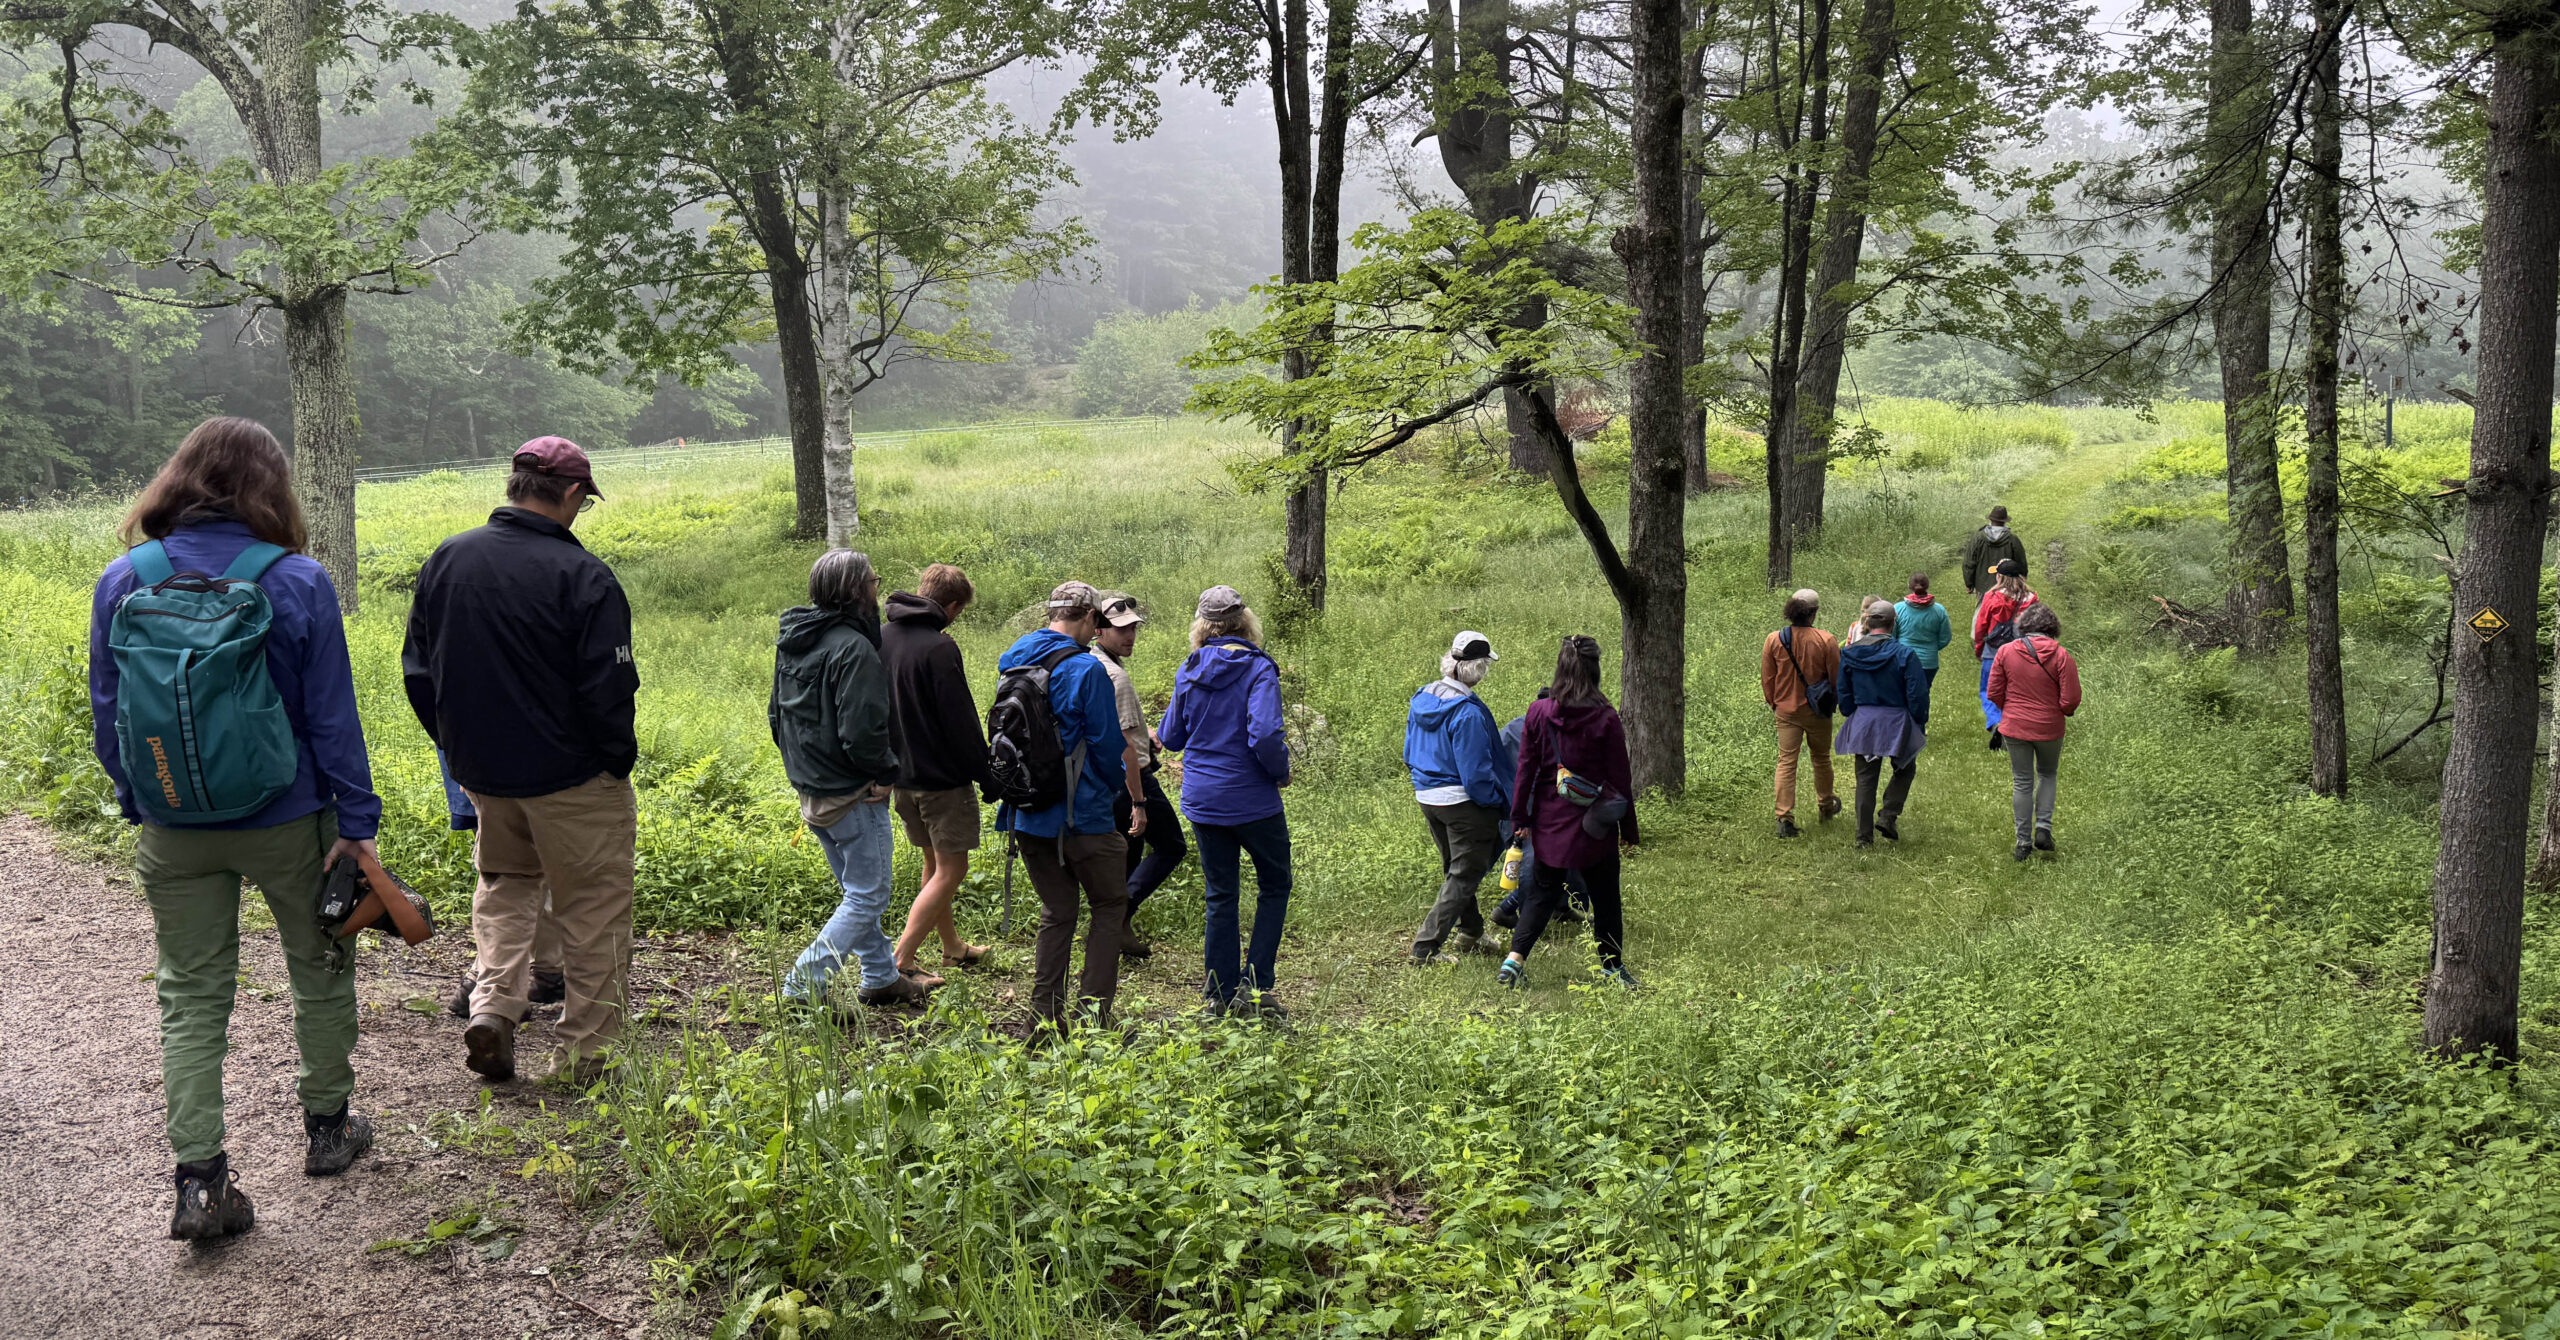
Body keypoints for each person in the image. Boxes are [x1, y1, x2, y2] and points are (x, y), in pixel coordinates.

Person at [89, 417, 382, 1241]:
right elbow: (332, 717)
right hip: (291, 822)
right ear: (270, 489)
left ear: (177, 481)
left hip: (173, 824)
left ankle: (200, 1183)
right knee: (319, 970)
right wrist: (356, 823)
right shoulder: (296, 580)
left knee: (189, 993)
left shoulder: (125, 579)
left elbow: (109, 711)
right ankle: (328, 1130)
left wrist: (137, 797)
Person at [403, 436, 640, 1088]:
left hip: (484, 775)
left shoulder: (448, 560)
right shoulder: (584, 577)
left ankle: (494, 1009)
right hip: (574, 779)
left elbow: (419, 673)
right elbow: (609, 689)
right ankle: (586, 1056)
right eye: (582, 502)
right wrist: (615, 759)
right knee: (592, 909)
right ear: (569, 494)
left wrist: (459, 746)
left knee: (506, 889)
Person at [771, 551, 920, 1012]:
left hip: (812, 789)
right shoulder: (853, 648)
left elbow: (776, 716)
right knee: (868, 894)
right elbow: (863, 730)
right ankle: (802, 984)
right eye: (874, 581)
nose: (878, 588)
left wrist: (804, 772)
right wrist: (884, 773)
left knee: (859, 894)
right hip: (853, 794)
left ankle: (881, 977)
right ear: (859, 591)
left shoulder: (796, 640)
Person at [996, 581, 1139, 1032]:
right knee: (1110, 905)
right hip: (1083, 815)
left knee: (1057, 911)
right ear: (1092, 621)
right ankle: (1094, 1018)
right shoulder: (1087, 669)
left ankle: (1044, 1020)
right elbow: (1107, 743)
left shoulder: (1013, 656)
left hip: (1025, 811)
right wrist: (1119, 792)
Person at [1156, 585, 1293, 1018]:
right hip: (1253, 800)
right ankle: (1255, 988)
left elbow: (1172, 735)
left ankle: (1218, 993)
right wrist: (1279, 771)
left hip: (1203, 798)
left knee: (1221, 894)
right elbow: (1266, 734)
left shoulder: (1190, 668)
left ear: (1202, 626)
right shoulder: (1258, 669)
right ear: (1245, 621)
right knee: (1275, 883)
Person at [1498, 636, 1638, 990]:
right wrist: (1629, 830)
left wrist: (1520, 820)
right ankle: (1612, 968)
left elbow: (1525, 771)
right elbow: (1621, 778)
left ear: (1560, 669)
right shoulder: (1606, 717)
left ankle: (1513, 962)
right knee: (1605, 897)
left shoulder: (1538, 712)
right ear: (1595, 670)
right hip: (1594, 826)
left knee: (1542, 892)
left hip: (1550, 823)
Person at [880, 564, 994, 981]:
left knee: (934, 864)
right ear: (951, 605)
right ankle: (901, 959)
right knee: (952, 870)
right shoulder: (939, 647)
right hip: (942, 781)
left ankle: (953, 948)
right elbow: (961, 720)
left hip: (900, 778)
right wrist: (986, 773)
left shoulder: (881, 637)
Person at [1403, 632, 1513, 964]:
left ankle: (1471, 933)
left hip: (1428, 796)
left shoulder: (1422, 697)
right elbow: (1476, 775)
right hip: (1462, 802)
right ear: (1477, 670)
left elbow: (1409, 751)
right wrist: (1496, 800)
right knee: (1464, 874)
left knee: (1456, 869)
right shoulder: (1468, 714)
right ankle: (1425, 948)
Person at [438, 748, 566, 1019]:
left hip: (477, 754)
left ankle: (546, 972)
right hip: (502, 759)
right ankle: (487, 986)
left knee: (516, 866)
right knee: (514, 870)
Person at [1092, 591, 1185, 959]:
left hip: (1104, 777)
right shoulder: (1116, 675)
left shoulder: (1091, 662)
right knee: (1171, 845)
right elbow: (1126, 746)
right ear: (1099, 630)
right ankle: (1117, 916)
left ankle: (1118, 927)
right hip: (1133, 779)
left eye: (1133, 628)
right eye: (1120, 629)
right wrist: (1139, 799)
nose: (1129, 636)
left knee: (1128, 850)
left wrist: (1142, 734)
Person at [1988, 603, 2082, 862]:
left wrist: (2012, 708)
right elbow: (2071, 699)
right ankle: (2043, 828)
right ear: (2052, 628)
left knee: (2022, 780)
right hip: (2050, 727)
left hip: (2015, 726)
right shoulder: (2062, 656)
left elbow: (1994, 692)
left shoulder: (2006, 652)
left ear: (2024, 625)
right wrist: (2060, 709)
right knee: (2048, 774)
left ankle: (2023, 842)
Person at [1835, 605, 1930, 847]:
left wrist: (1851, 713)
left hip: (1865, 720)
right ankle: (1888, 814)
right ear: (1893, 623)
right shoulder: (1904, 654)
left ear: (1867, 623)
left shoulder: (1849, 653)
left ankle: (1863, 836)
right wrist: (1918, 720)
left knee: (1866, 778)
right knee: (1905, 768)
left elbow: (1843, 690)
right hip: (1897, 720)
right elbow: (1917, 693)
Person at [1761, 589, 1841, 839]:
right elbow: (1835, 678)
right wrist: (1834, 703)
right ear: (1814, 613)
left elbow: (1767, 678)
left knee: (1786, 761)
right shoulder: (1826, 640)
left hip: (1785, 710)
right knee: (1821, 758)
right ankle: (1826, 806)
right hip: (1818, 712)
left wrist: (1774, 702)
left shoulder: (1774, 639)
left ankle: (1784, 817)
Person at [1972, 557, 2040, 748]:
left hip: (1994, 650)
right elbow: (2037, 625)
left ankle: (1996, 722)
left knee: (1988, 690)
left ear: (2000, 577)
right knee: (2017, 690)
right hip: (2022, 652)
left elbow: (1981, 626)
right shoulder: (2031, 598)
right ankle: (2016, 726)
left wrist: (1979, 646)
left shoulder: (1992, 597)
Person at [1893, 573, 1954, 695]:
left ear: (1909, 586)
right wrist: (1931, 647)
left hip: (1902, 660)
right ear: (1927, 586)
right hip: (1929, 662)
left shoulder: (1898, 609)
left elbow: (1892, 636)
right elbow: (1945, 637)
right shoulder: (1939, 610)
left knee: (1901, 695)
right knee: (1922, 696)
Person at [1960, 506, 2028, 597]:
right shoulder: (2013, 540)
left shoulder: (1978, 538)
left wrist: (1969, 584)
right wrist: (2021, 581)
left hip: (1982, 587)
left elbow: (1969, 563)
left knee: (1983, 610)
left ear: (1990, 521)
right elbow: (2021, 564)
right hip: (2007, 586)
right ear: (2004, 522)